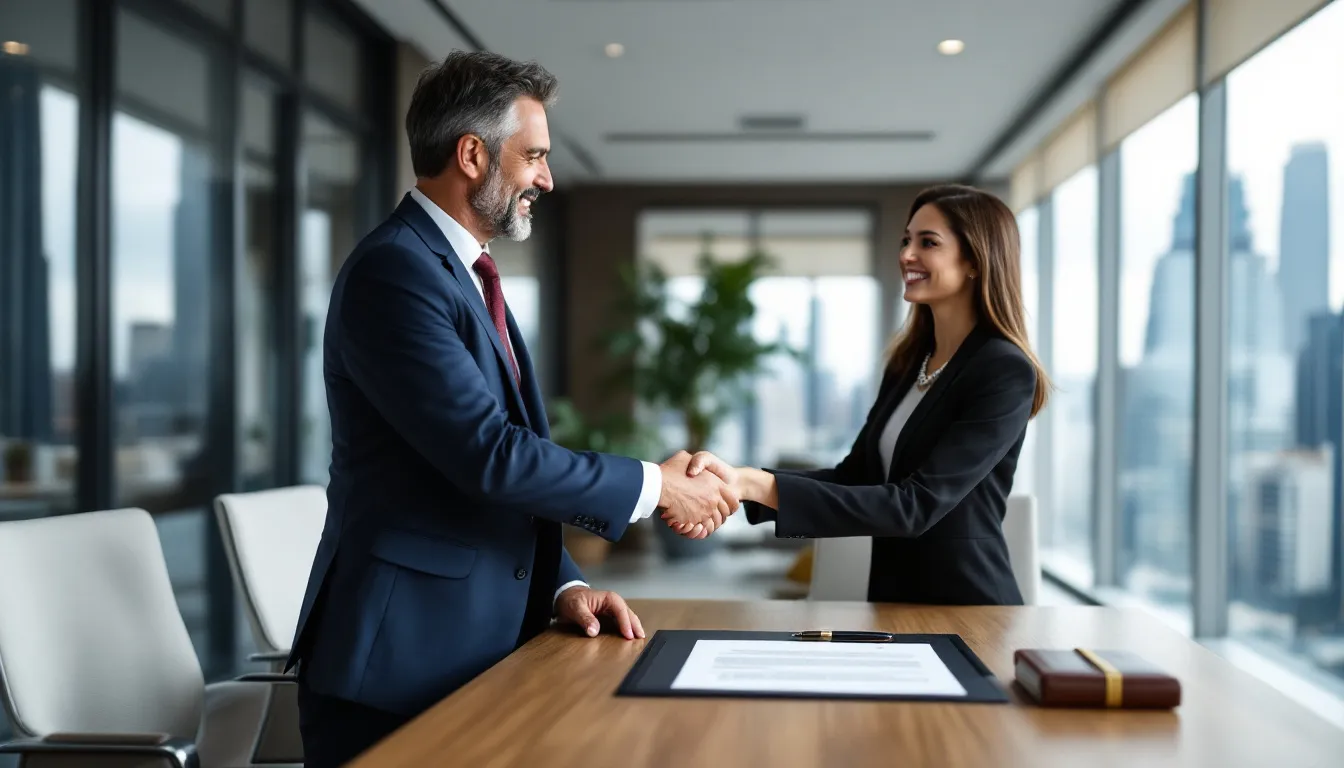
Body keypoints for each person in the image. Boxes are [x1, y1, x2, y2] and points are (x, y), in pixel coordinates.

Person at [287, 51, 737, 767]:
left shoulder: (464, 275)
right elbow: (489, 456)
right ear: (472, 155)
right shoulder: (395, 272)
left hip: (475, 651)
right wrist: (658, 487)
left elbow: (499, 474)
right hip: (398, 667)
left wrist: (565, 585)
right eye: (534, 156)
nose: (546, 179)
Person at [684, 184, 1050, 606]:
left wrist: (757, 484)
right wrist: (740, 481)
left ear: (974, 260)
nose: (907, 255)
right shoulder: (909, 363)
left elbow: (916, 505)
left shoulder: (1003, 370)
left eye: (927, 242)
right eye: (906, 240)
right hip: (892, 602)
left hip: (967, 608)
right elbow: (857, 475)